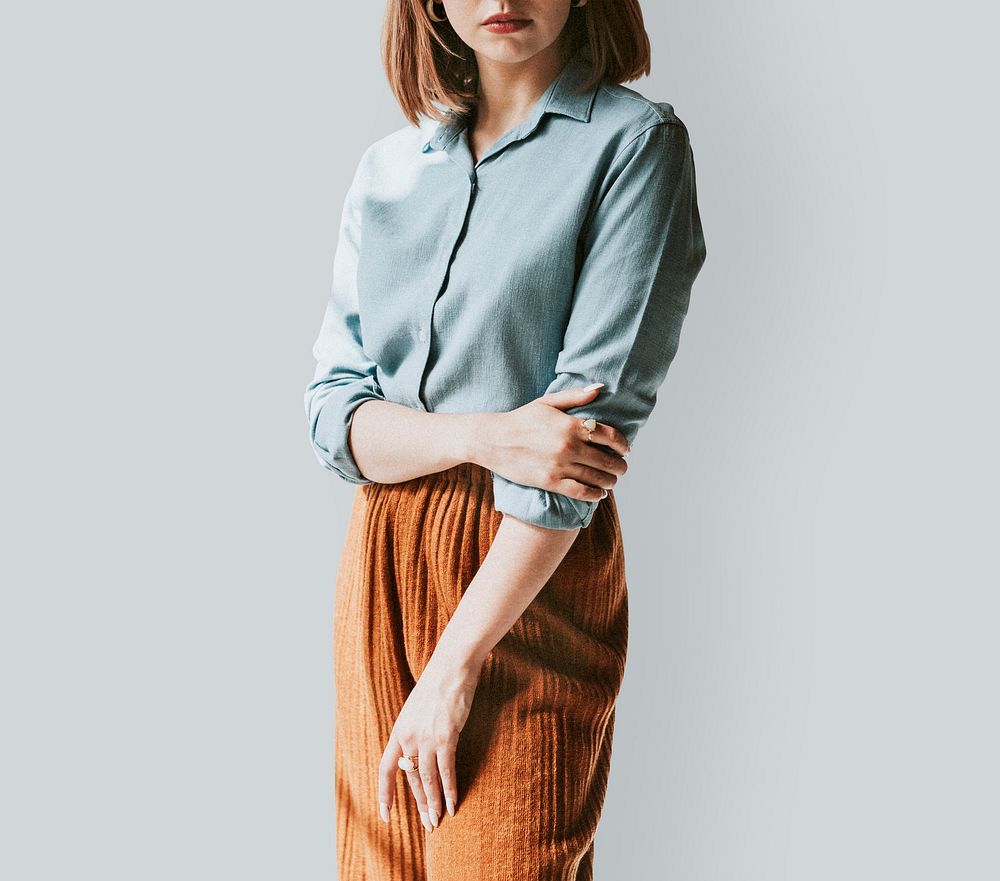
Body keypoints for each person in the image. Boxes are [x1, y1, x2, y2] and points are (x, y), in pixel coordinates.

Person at [303, 1, 707, 878]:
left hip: (525, 572)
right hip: (379, 560)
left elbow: (573, 449)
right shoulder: (389, 168)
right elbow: (334, 418)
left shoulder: (635, 148)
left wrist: (455, 667)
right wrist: (489, 434)